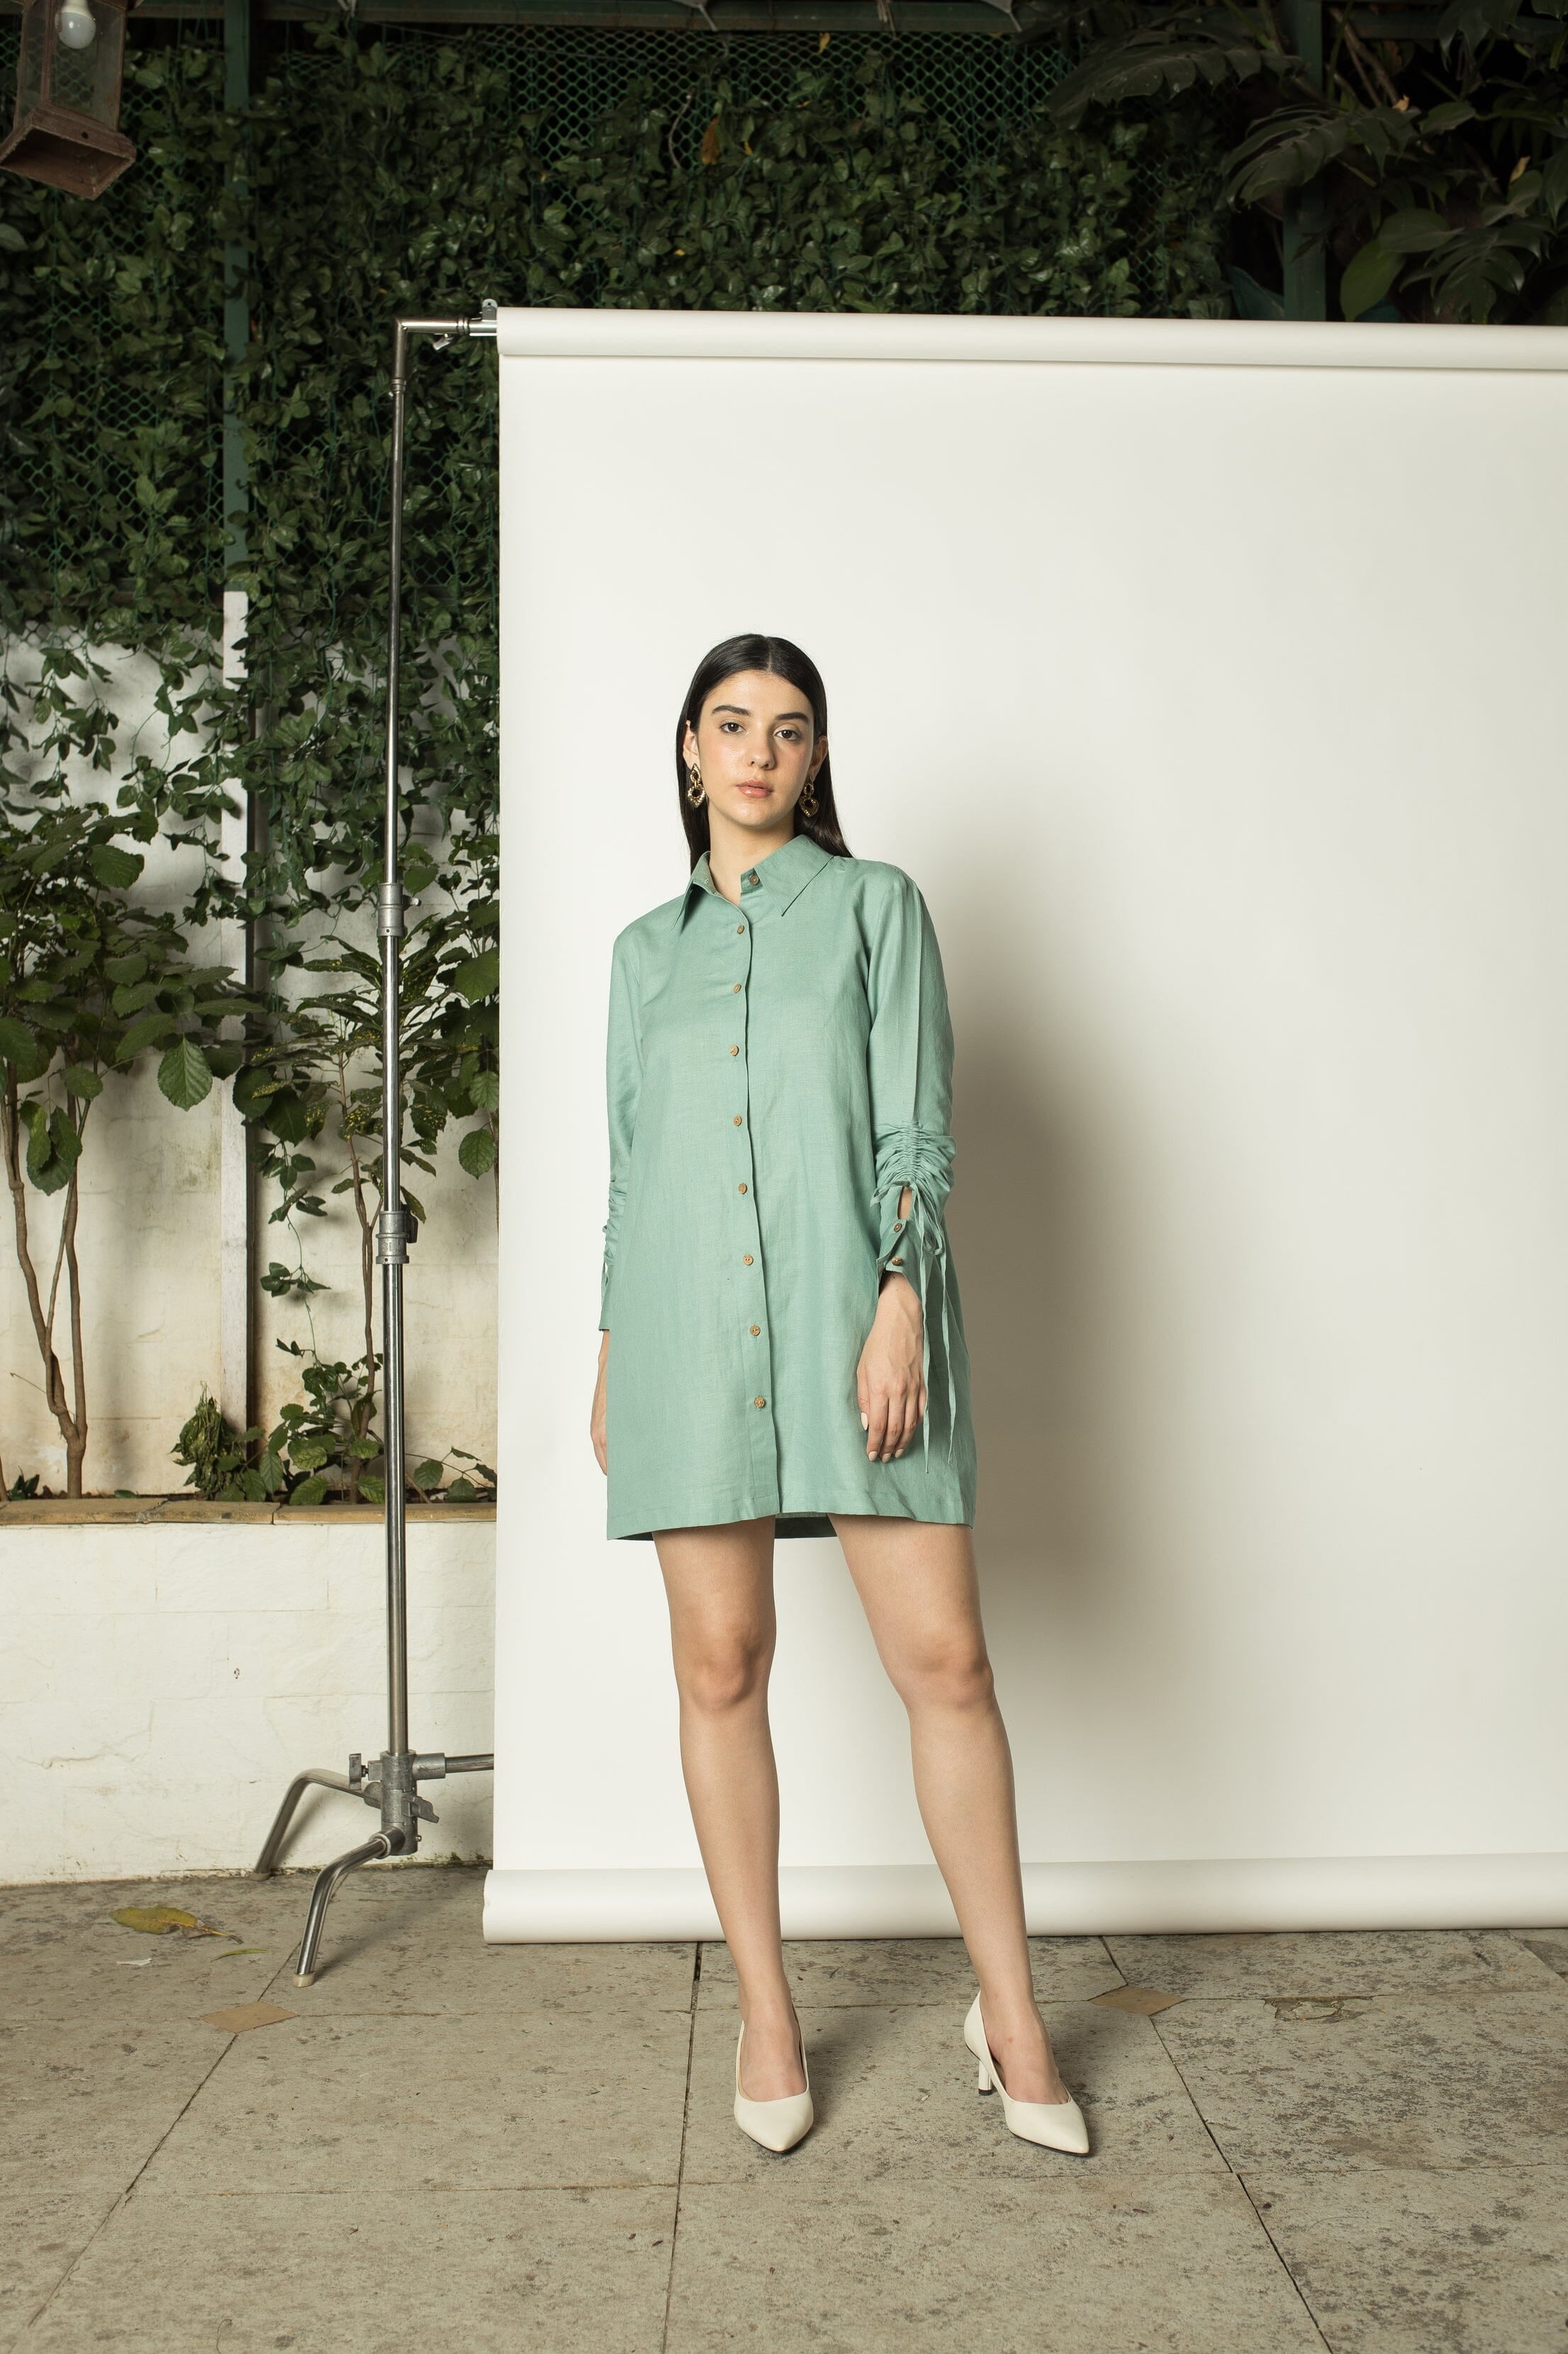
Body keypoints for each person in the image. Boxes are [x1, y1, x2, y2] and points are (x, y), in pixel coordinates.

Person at [590, 634, 1087, 2159]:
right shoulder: (642, 956)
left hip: (855, 1320)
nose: (758, 752)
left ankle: (1009, 2015)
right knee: (720, 1665)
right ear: (689, 750)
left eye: (789, 729)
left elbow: (914, 1127)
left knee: (946, 1663)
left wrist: (900, 1300)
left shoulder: (878, 908)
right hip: (682, 1341)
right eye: (731, 724)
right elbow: (631, 1176)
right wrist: (612, 1352)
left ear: (814, 759)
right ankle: (766, 2012)